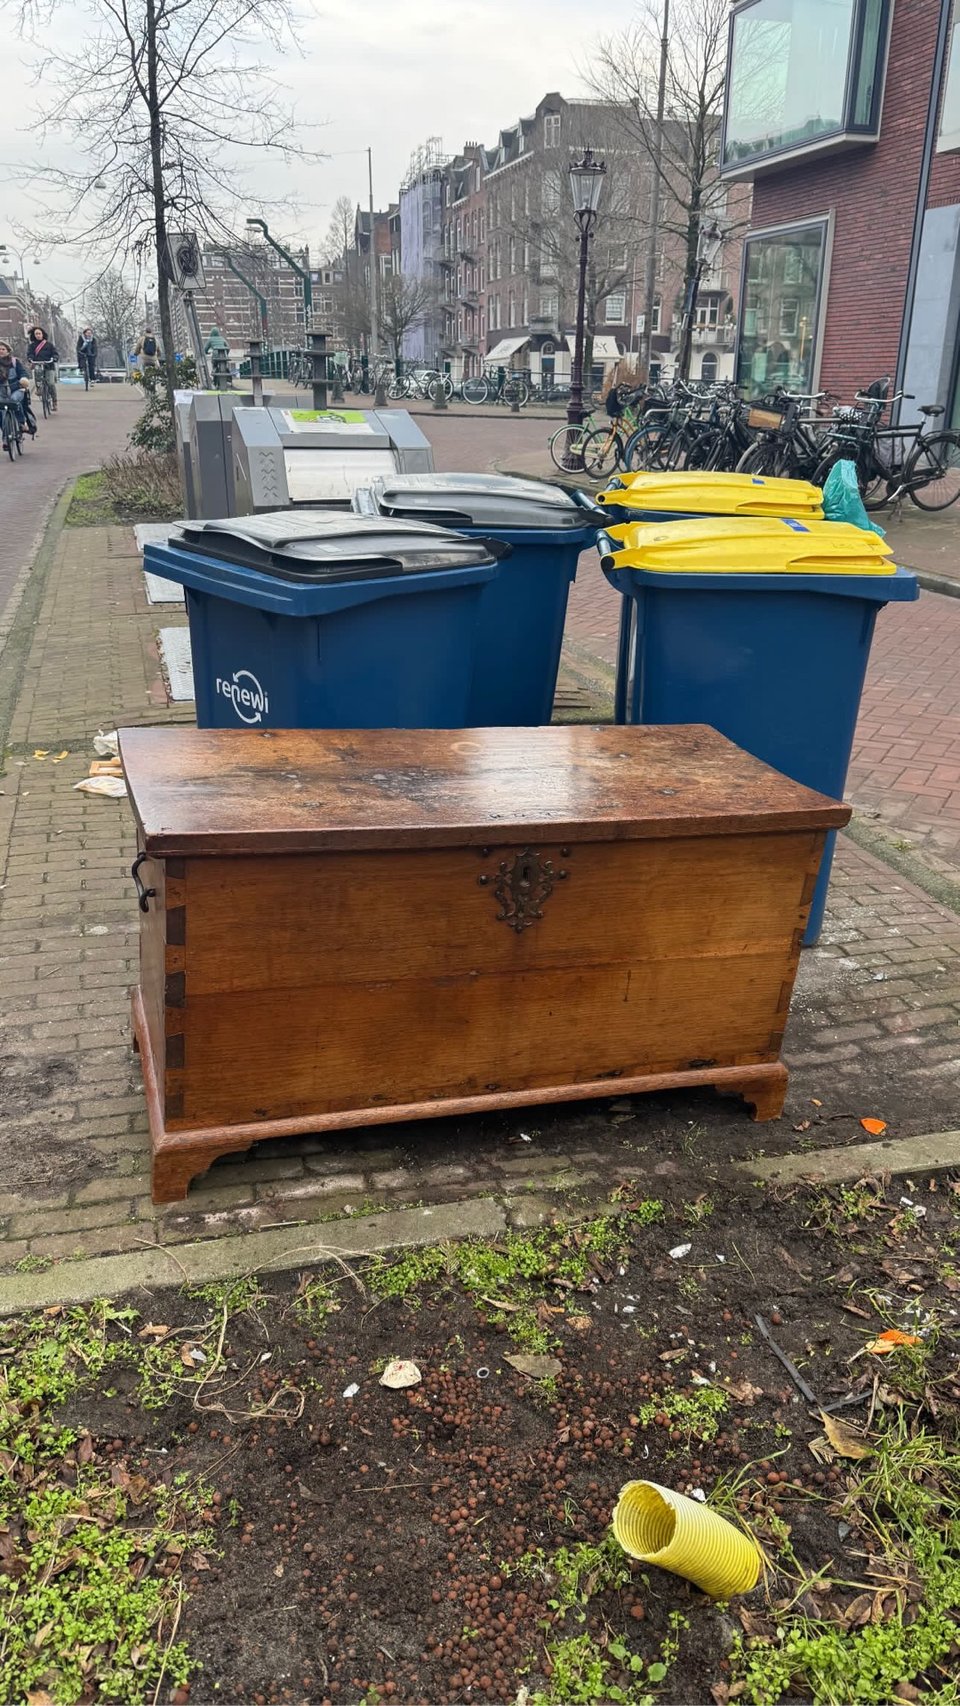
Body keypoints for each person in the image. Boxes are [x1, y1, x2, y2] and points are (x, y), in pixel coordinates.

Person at [0, 342, 37, 446]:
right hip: (1, 391)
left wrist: (23, 379)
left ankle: (21, 423)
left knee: (14, 401)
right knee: (2, 411)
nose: (1, 351)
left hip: (16, 389)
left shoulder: (14, 362)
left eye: (3, 349)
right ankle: (6, 438)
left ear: (8, 351)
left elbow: (23, 372)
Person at [27, 325, 60, 413]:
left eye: (39, 333)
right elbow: (30, 354)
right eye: (36, 334)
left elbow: (55, 353)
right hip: (38, 363)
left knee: (51, 383)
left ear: (43, 334)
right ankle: (39, 388)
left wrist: (54, 358)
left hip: (49, 365)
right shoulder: (32, 346)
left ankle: (54, 401)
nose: (38, 335)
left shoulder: (49, 345)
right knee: (37, 372)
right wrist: (30, 358)